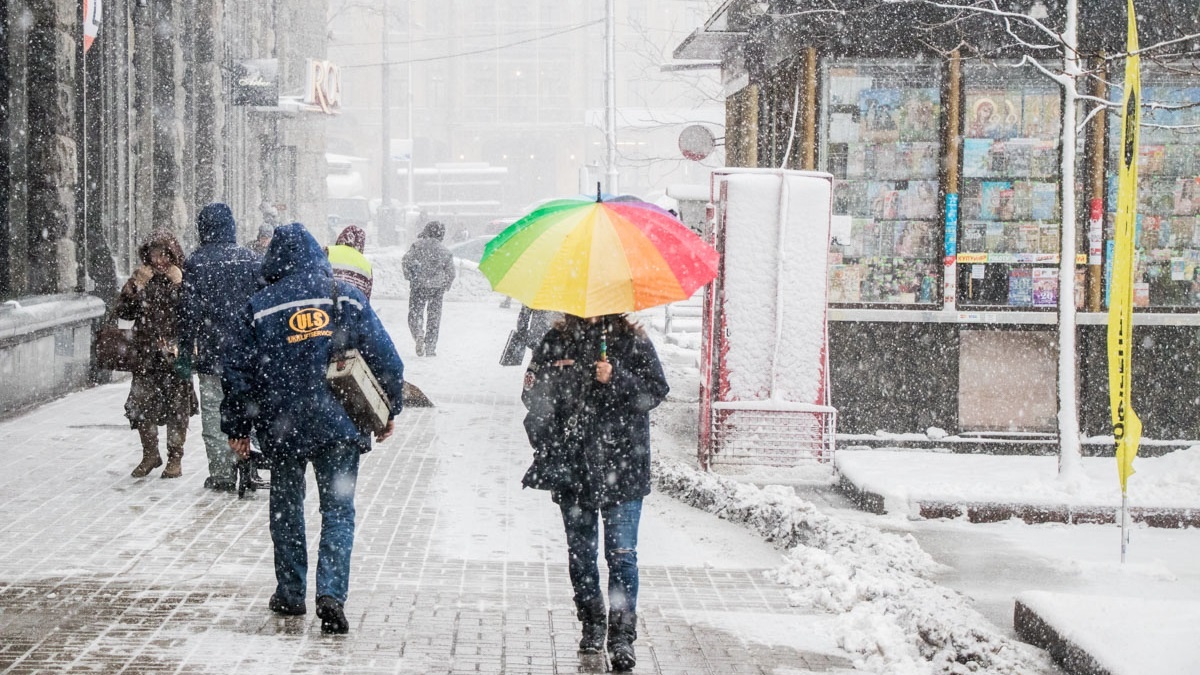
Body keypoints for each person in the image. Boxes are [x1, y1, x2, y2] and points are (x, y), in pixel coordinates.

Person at [220, 222, 405, 634]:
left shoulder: (261, 306)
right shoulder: (346, 299)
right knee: (338, 510)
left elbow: (238, 373)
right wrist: (390, 408)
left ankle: (290, 594)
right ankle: (331, 594)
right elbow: (387, 360)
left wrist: (237, 426)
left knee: (286, 511)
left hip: (282, 427)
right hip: (339, 425)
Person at [519, 313, 669, 671]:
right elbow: (531, 395)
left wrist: (615, 377)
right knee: (582, 555)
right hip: (574, 466)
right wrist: (568, 374)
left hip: (623, 464)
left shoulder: (633, 340)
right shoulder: (556, 340)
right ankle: (592, 621)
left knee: (621, 554)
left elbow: (654, 392)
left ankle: (621, 635)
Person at [180, 203, 264, 492]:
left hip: (212, 353)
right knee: (249, 410)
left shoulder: (196, 263)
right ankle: (250, 463)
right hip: (247, 355)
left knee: (215, 415)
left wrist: (184, 348)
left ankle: (222, 474)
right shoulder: (251, 260)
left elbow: (188, 312)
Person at [119, 229, 199, 479]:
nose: (159, 261)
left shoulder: (184, 278)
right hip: (146, 355)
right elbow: (123, 313)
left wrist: (180, 284)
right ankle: (150, 454)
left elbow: (194, 311)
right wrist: (135, 286)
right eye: (154, 255)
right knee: (141, 405)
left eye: (164, 255)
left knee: (178, 408)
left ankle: (175, 457)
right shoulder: (142, 277)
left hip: (176, 355)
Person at [402, 220, 455, 356]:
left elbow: (406, 261)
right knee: (434, 317)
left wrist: (410, 276)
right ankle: (431, 347)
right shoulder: (445, 251)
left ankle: (418, 334)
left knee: (415, 312)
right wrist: (446, 284)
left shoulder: (417, 246)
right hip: (437, 288)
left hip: (418, 285)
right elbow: (451, 272)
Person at [327, 224, 373, 300]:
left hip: (325, 304)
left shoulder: (327, 251)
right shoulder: (366, 265)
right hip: (353, 308)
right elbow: (366, 300)